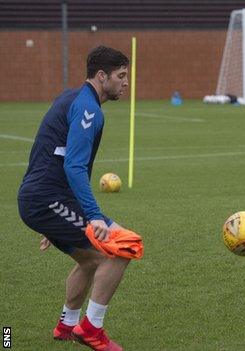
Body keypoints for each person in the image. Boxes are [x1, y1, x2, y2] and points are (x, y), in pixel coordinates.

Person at [18, 46, 131, 350]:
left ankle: (66, 325)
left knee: (91, 259)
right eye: (121, 76)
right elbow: (74, 166)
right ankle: (92, 329)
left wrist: (51, 217)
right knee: (124, 247)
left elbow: (48, 157)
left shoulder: (72, 98)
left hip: (45, 200)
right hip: (45, 199)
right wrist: (92, 215)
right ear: (101, 75)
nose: (125, 83)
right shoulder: (87, 108)